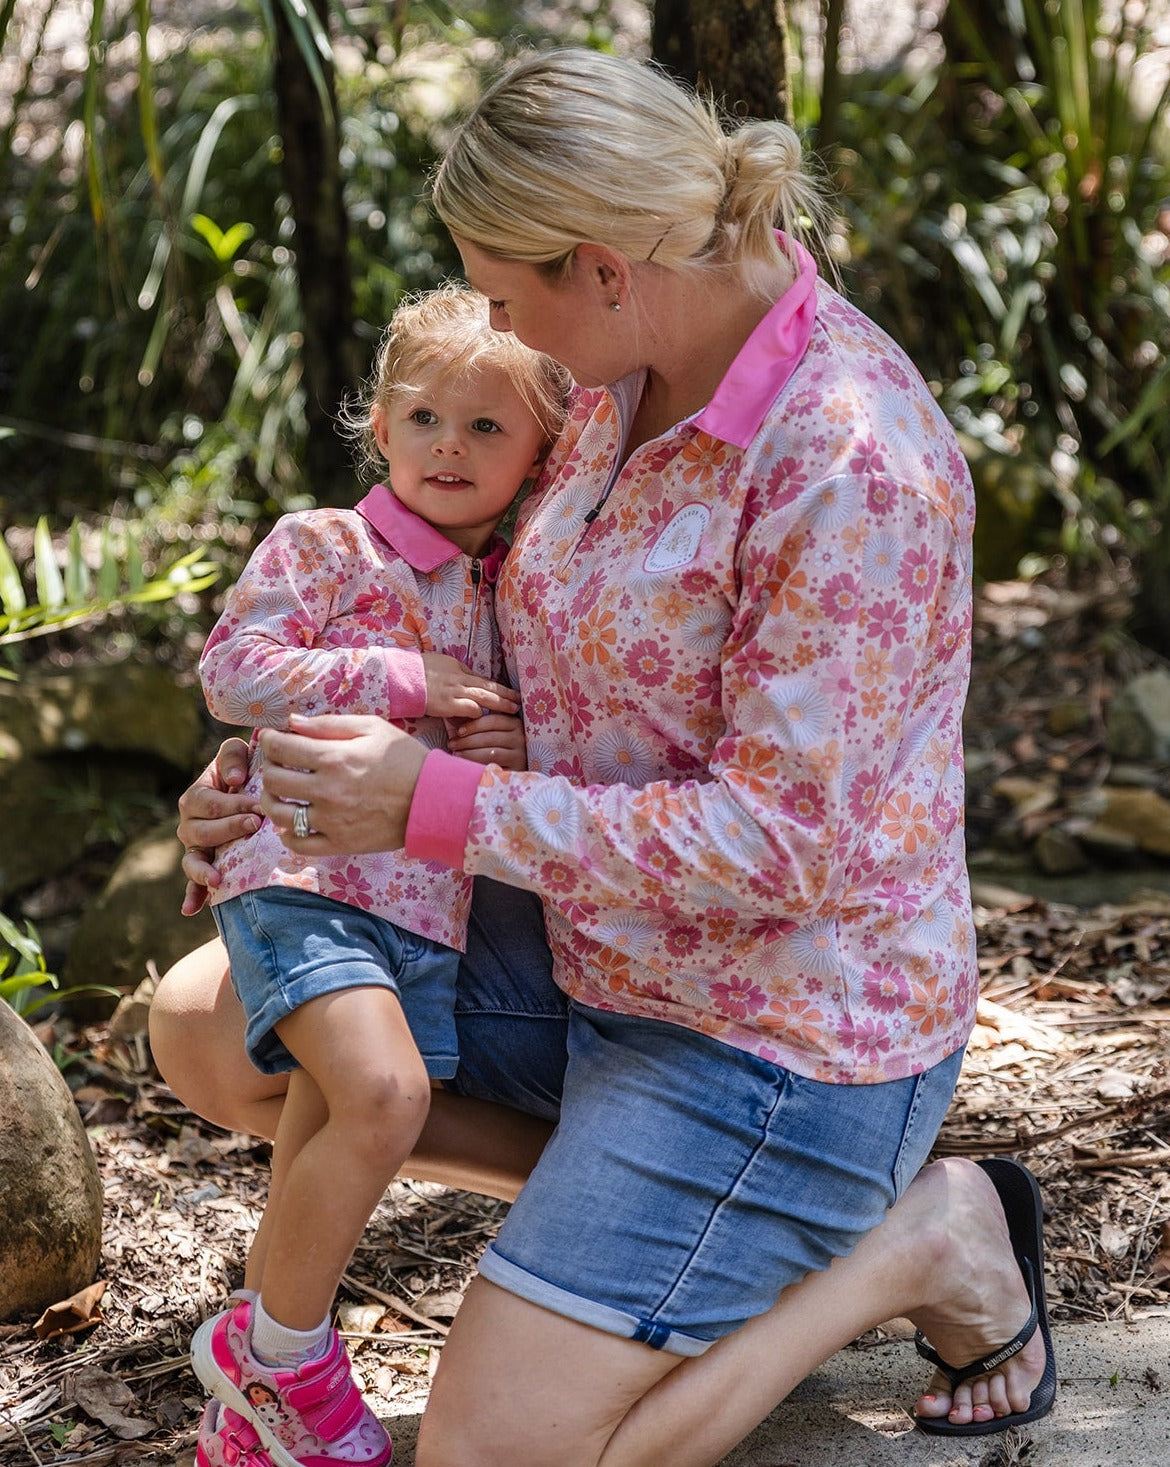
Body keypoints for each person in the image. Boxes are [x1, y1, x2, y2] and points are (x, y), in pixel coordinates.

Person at [153, 49, 1057, 1467]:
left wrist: (431, 805)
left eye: (508, 300)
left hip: (777, 1027)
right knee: (215, 1017)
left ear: (601, 268)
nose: (500, 331)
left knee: (496, 1454)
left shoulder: (845, 463)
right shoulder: (605, 385)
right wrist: (283, 779)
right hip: (590, 946)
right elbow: (450, 608)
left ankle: (909, 1239)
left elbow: (778, 847)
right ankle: (641, 1213)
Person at [185, 283, 569, 1467]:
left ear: (540, 453)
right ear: (380, 426)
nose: (449, 446)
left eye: (488, 427)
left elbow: (498, 753)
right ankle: (282, 1358)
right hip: (304, 874)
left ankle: (243, 1420)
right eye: (424, 418)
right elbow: (234, 673)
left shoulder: (513, 593)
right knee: (388, 1098)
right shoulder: (324, 544)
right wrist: (410, 683)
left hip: (426, 906)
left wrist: (499, 744)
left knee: (328, 1119)